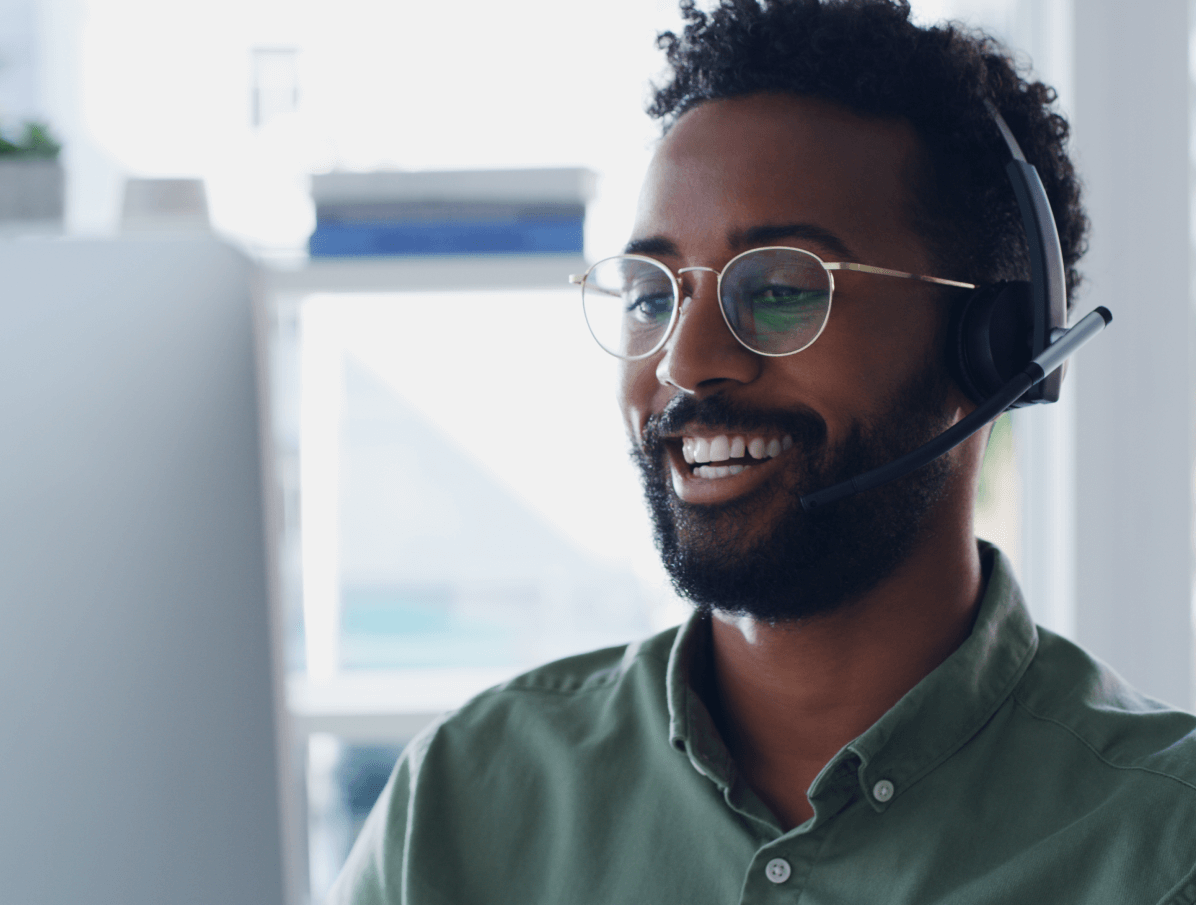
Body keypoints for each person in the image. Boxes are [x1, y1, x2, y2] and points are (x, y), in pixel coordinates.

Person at [330, 2, 1196, 902]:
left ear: (994, 346)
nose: (686, 361)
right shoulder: (464, 798)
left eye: (781, 290)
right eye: (654, 296)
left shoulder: (1163, 844)